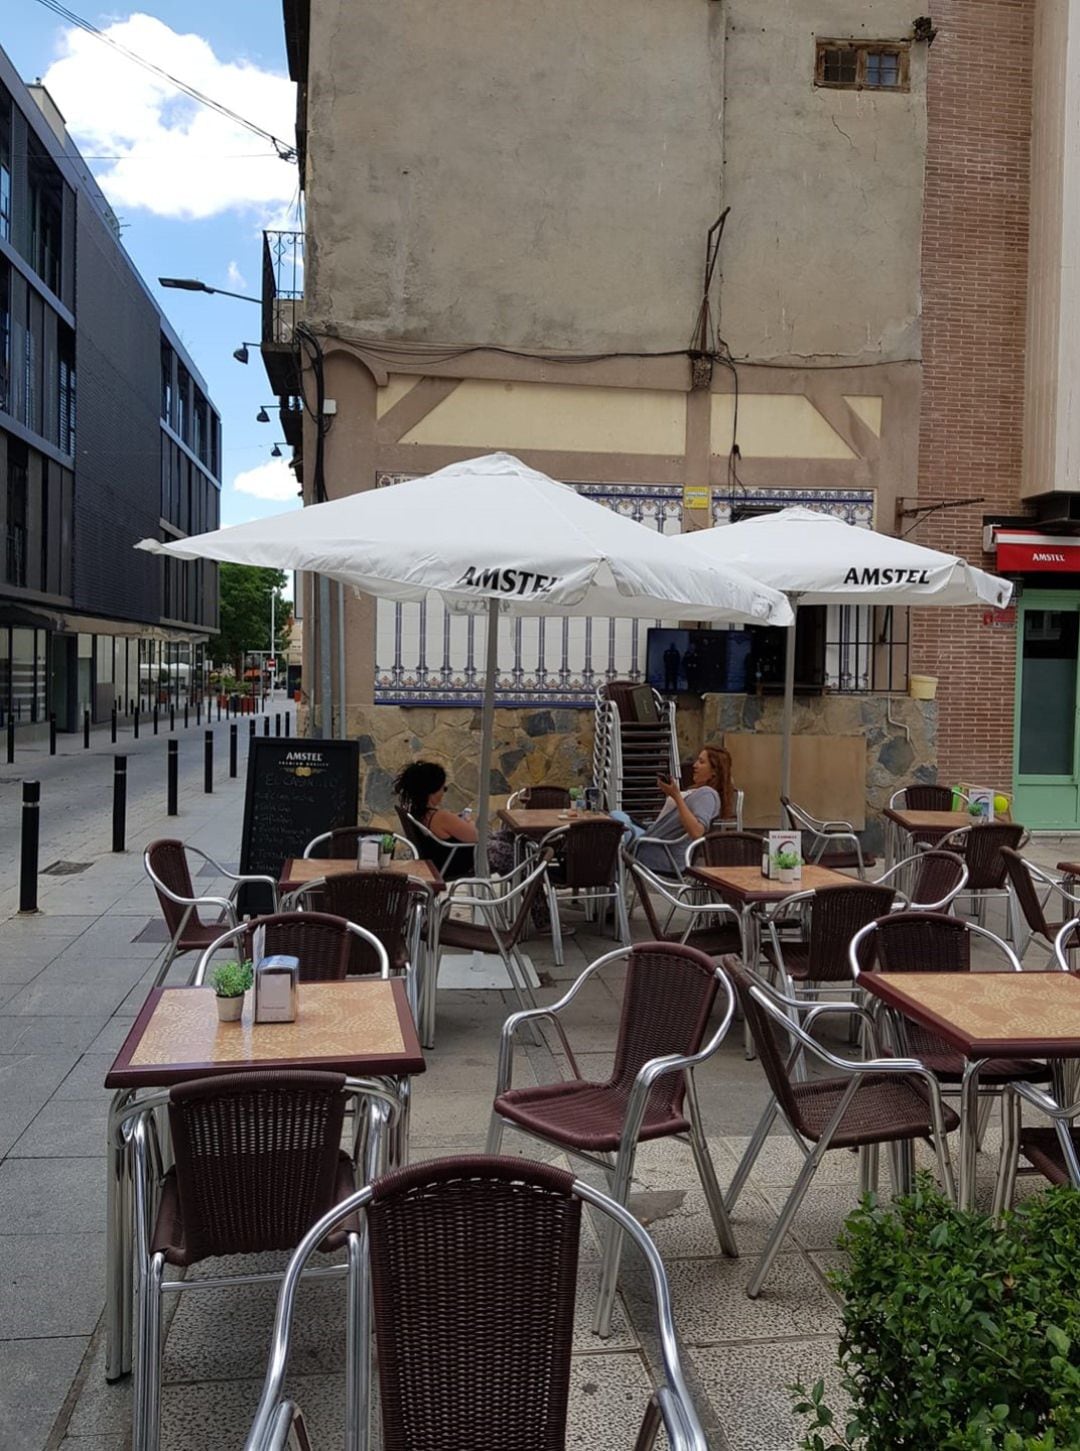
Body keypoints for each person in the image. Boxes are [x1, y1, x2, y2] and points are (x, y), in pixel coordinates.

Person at [616, 745, 734, 874]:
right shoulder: (698, 792)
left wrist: (676, 796)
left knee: (611, 828)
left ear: (714, 771)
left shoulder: (707, 794)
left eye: (701, 762)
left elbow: (697, 831)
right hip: (654, 842)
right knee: (615, 818)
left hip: (661, 853)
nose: (694, 765)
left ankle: (607, 886)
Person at [394, 761, 478, 880]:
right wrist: (469, 821)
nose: (443, 792)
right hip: (459, 864)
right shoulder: (441, 817)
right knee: (510, 850)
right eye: (443, 788)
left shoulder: (417, 813)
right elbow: (477, 837)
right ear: (432, 791)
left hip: (439, 862)